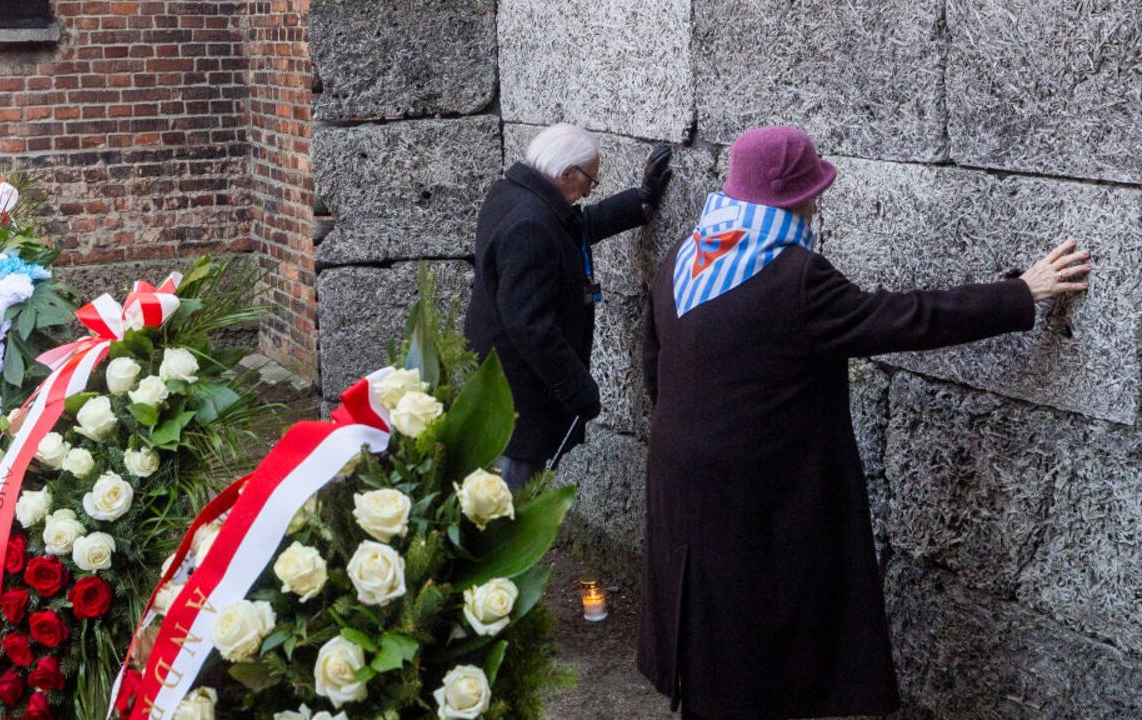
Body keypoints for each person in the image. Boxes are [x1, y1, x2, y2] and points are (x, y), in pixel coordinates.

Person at [636, 125, 1092, 720]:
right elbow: (902, 319)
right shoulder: (795, 277)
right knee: (765, 645)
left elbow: (655, 369)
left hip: (680, 486)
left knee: (705, 629)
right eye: (813, 191)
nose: (818, 202)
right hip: (762, 499)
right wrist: (1019, 293)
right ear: (793, 199)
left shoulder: (680, 260)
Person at [464, 123, 673, 489]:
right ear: (566, 173)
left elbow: (571, 229)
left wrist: (639, 201)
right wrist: (579, 389)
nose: (590, 190)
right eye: (590, 181)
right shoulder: (530, 224)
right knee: (504, 514)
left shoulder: (514, 195)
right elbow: (532, 327)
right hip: (518, 403)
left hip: (504, 390)